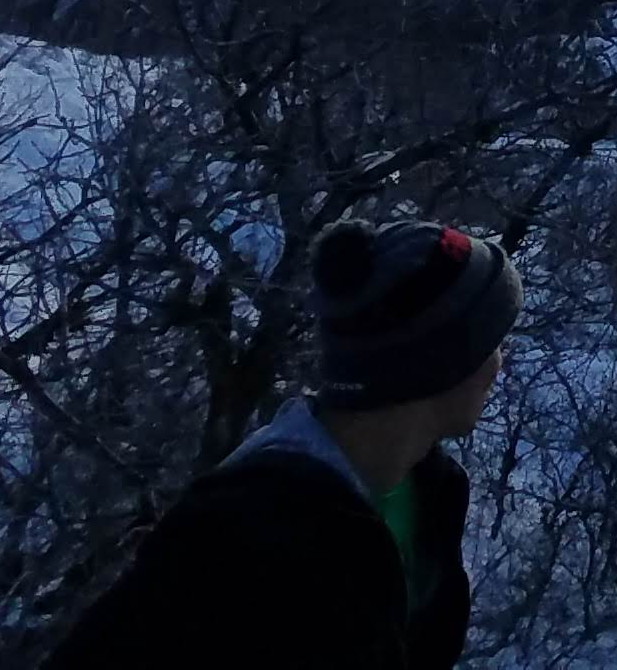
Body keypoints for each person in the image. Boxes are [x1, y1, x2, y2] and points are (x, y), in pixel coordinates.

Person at [51, 216, 523, 670]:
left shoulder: (430, 492)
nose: (500, 364)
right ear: (438, 367)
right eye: (490, 343)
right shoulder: (238, 541)